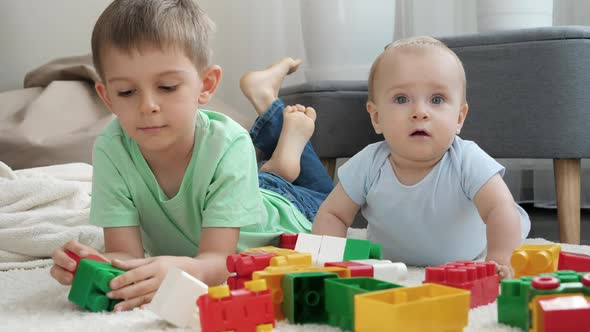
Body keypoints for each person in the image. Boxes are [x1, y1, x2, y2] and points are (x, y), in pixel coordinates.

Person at [50, 0, 333, 311]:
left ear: (206, 85)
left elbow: (220, 263)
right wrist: (101, 264)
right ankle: (277, 163)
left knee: (318, 194)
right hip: (242, 188)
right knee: (264, 176)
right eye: (127, 92)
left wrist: (181, 270)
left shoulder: (229, 144)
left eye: (168, 87)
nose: (148, 106)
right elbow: (127, 254)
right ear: (107, 97)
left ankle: (274, 119)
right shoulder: (111, 148)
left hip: (296, 209)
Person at [312, 36, 530, 279]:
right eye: (401, 99)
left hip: (471, 251)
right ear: (376, 117)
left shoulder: (467, 159)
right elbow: (333, 214)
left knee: (511, 222)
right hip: (392, 262)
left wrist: (500, 258)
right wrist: (326, 261)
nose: (419, 112)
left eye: (436, 100)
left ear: (459, 118)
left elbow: (500, 209)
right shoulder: (368, 164)